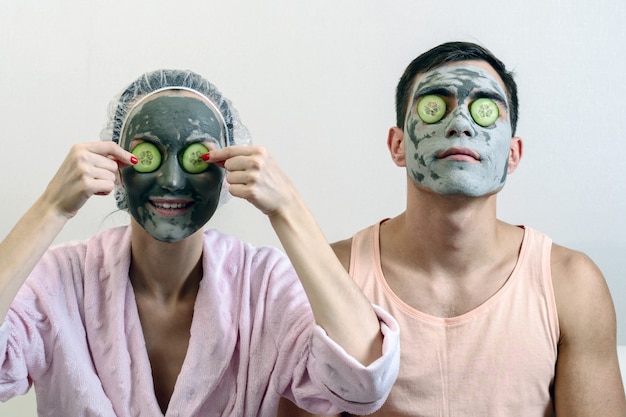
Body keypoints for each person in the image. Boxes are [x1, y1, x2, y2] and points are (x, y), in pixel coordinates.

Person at [0, 69, 400, 416]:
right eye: (148, 154)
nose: (173, 181)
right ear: (119, 167)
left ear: (225, 170)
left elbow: (362, 383)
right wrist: (51, 208)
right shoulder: (60, 279)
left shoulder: (261, 284)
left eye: (195, 157)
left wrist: (288, 210)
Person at [278, 41, 626, 416]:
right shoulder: (329, 273)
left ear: (513, 154)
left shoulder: (572, 285)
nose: (460, 123)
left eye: (484, 110)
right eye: (434, 108)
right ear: (397, 145)